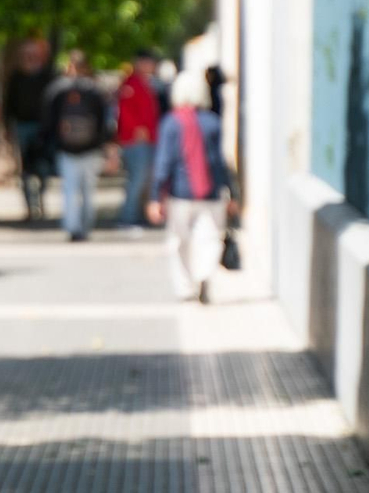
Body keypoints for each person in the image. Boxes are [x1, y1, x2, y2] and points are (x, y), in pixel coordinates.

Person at [148, 71, 238, 304]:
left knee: (180, 241)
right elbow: (220, 161)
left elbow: (164, 162)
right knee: (209, 238)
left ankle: (185, 286)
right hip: (210, 191)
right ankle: (204, 275)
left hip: (180, 193)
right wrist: (231, 193)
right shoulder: (212, 122)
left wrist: (156, 196)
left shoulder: (171, 123)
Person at [41, 50, 111, 243]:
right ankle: (86, 226)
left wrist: (53, 142)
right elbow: (104, 121)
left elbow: (48, 120)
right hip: (91, 148)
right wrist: (103, 144)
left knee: (70, 190)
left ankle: (72, 227)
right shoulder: (95, 90)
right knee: (88, 190)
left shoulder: (57, 89)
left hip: (67, 149)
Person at [2, 37, 55, 221]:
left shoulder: (48, 76)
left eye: (34, 53)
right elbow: (8, 105)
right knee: (25, 169)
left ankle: (39, 200)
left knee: (43, 167)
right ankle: (30, 207)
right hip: (22, 126)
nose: (30, 57)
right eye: (27, 54)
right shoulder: (16, 77)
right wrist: (7, 127)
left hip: (43, 128)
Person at [115, 50, 161, 228]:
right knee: (137, 179)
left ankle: (139, 215)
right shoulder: (132, 83)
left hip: (148, 138)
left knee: (145, 180)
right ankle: (128, 218)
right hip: (136, 140)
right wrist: (137, 129)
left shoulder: (145, 83)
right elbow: (125, 111)